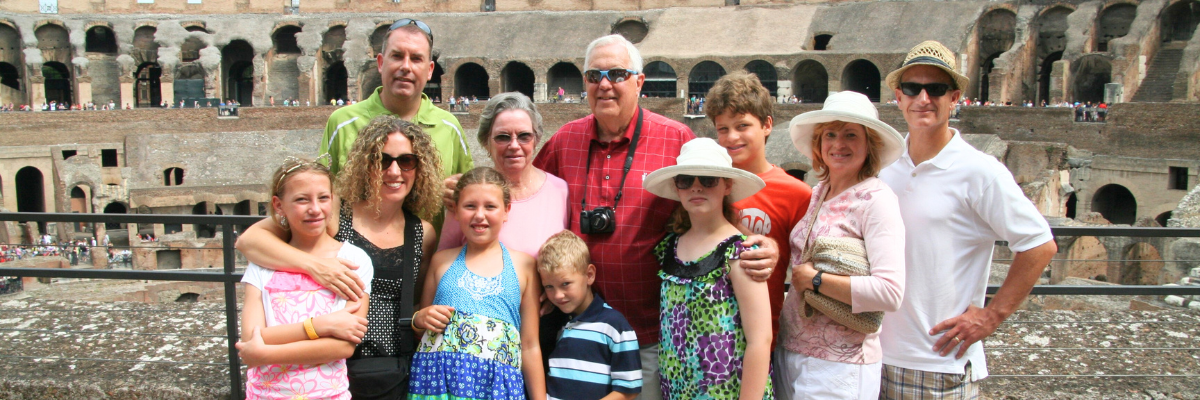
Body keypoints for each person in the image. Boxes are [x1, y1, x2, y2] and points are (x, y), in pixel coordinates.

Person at [532, 34, 778, 400]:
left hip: (654, 336)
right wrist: (473, 190)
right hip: (580, 331)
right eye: (593, 75)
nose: (604, 84)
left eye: (616, 73)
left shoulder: (674, 137)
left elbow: (714, 203)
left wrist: (761, 243)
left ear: (639, 82)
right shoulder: (564, 140)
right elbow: (527, 193)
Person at [878, 40, 1057, 398]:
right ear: (899, 97)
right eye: (913, 88)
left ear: (955, 97)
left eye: (937, 89)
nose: (923, 98)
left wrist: (991, 316)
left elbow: (1039, 245)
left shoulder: (979, 170)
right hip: (874, 355)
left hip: (939, 364)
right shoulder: (885, 167)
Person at [236, 116, 443, 399]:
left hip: (388, 370)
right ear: (366, 165)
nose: (394, 171)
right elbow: (249, 241)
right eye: (382, 161)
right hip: (327, 363)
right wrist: (315, 266)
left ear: (419, 168)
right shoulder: (332, 213)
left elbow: (415, 299)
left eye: (407, 161)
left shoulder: (422, 232)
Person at [774, 91, 907, 399]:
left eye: (850, 135)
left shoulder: (876, 200)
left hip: (840, 364)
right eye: (830, 134)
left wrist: (817, 281)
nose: (838, 144)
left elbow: (890, 292)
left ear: (869, 144)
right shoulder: (819, 192)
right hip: (793, 350)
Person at [642, 138, 772, 399]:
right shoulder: (669, 247)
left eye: (708, 179)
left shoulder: (740, 252)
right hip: (677, 389)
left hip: (727, 390)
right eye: (686, 180)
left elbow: (760, 339)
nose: (696, 187)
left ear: (727, 185)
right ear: (677, 188)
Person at [236, 158, 374, 399]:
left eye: (323, 198)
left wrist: (265, 354)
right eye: (302, 199)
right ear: (279, 205)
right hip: (266, 394)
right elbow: (251, 338)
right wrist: (320, 326)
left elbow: (342, 345)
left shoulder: (353, 259)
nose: (315, 209)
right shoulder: (263, 262)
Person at [409, 167, 546, 400]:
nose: (479, 215)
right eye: (470, 206)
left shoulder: (524, 266)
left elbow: (530, 345)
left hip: (496, 387)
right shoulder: (441, 261)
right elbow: (420, 328)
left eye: (490, 206)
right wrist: (419, 319)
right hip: (438, 384)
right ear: (456, 210)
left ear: (506, 210)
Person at [704, 71, 812, 343]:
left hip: (767, 336)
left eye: (742, 126)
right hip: (708, 335)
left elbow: (808, 267)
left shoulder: (796, 193)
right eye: (723, 129)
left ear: (766, 125)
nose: (731, 137)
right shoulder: (705, 186)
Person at [320, 19, 472, 182]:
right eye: (397, 56)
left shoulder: (449, 127)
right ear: (380, 63)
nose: (406, 66)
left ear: (429, 70)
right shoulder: (342, 122)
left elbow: (472, 193)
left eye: (416, 59)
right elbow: (321, 192)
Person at [438, 92, 568, 258]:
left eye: (524, 136)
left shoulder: (560, 191)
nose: (514, 145)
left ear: (536, 139)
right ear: (486, 142)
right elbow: (443, 261)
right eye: (502, 137)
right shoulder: (468, 193)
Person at [538, 230, 642, 400]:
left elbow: (628, 389)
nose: (557, 295)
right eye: (549, 286)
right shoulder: (553, 323)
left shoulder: (615, 325)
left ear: (589, 275)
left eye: (565, 284)